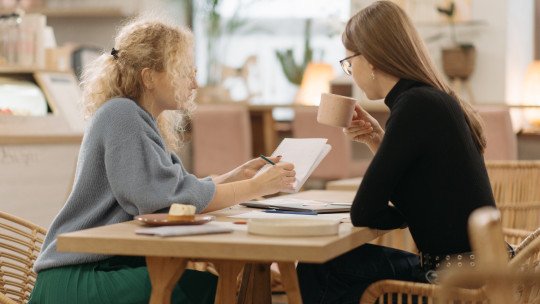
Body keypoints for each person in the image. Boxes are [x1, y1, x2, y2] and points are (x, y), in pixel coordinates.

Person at [29, 18, 296, 304]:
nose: (193, 83)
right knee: (208, 291)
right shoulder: (122, 115)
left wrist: (236, 177)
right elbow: (160, 199)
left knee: (215, 287)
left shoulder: (137, 118)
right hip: (77, 277)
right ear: (149, 77)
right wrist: (254, 188)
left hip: (100, 267)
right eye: (183, 72)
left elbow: (175, 189)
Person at [296, 1, 498, 303]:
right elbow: (426, 191)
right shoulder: (432, 98)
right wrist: (379, 140)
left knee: (318, 266)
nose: (350, 72)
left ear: (372, 59)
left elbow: (364, 211)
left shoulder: (414, 106)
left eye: (349, 62)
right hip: (480, 269)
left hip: (454, 281)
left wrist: (404, 216)